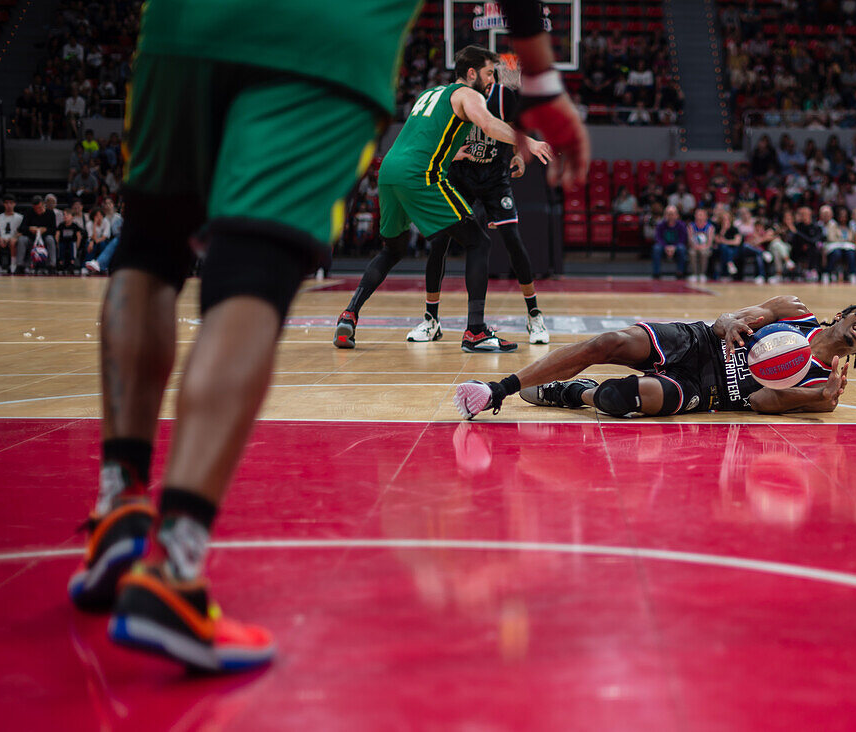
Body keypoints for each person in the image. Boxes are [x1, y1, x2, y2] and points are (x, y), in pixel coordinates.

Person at [52, 0, 588, 675]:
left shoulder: (438, 96)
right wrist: (540, 84)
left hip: (184, 23)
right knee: (253, 268)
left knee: (149, 249)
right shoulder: (464, 93)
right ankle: (176, 563)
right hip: (328, 40)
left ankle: (117, 505)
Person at [334, 46, 553, 354]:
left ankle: (349, 314)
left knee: (393, 249)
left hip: (389, 171)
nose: (494, 80)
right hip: (420, 175)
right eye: (490, 73)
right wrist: (526, 141)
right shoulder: (469, 95)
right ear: (472, 73)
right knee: (479, 242)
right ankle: (475, 331)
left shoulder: (433, 93)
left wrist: (453, 152)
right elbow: (489, 125)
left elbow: (424, 135)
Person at [453, 296, 856, 420]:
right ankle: (499, 389)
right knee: (608, 342)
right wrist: (730, 322)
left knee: (624, 398)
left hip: (707, 391)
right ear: (842, 315)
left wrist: (815, 400)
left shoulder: (823, 384)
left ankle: (572, 393)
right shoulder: (794, 311)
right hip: (698, 342)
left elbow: (760, 402)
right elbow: (727, 318)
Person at [410, 72, 550, 346]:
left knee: (513, 240)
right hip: (460, 176)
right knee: (439, 241)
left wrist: (520, 156)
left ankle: (534, 315)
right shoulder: (455, 97)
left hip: (495, 177)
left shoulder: (503, 96)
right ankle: (430, 319)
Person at [16, 195, 57, 273]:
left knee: (50, 239)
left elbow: (54, 230)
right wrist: (30, 228)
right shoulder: (29, 212)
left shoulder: (50, 213)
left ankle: (52, 265)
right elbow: (22, 228)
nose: (38, 210)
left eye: (40, 208)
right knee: (22, 239)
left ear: (43, 204)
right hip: (31, 238)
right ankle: (19, 265)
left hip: (44, 239)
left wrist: (45, 229)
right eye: (36, 209)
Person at [651, 204, 687, 279]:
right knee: (656, 248)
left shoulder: (681, 225)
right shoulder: (660, 225)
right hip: (664, 246)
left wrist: (674, 247)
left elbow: (683, 239)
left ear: (677, 215)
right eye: (668, 214)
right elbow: (658, 238)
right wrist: (666, 247)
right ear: (665, 215)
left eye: (672, 214)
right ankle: (656, 273)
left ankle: (680, 272)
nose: (670, 216)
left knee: (682, 248)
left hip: (677, 246)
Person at [0, 193, 23, 273]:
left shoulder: (20, 217)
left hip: (13, 240)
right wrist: (0, 239)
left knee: (12, 241)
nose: (9, 205)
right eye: (6, 203)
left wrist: (13, 238)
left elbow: (21, 232)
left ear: (14, 204)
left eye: (11, 203)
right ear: (3, 204)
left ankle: (13, 264)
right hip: (1, 239)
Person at [687, 208, 714, 282]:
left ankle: (702, 274)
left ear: (706, 217)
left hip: (705, 247)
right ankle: (694, 274)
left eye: (701, 215)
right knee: (692, 253)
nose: (699, 217)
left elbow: (710, 242)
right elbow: (690, 240)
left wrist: (703, 247)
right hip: (694, 247)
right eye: (698, 215)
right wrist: (696, 246)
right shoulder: (691, 226)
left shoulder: (710, 227)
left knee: (704, 252)